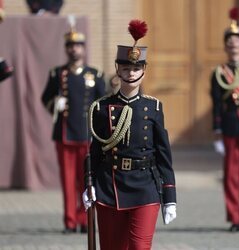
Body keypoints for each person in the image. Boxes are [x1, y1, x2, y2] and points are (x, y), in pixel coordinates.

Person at [83, 20, 177, 249]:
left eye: (136, 68)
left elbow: (164, 155)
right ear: (118, 70)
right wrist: (88, 183)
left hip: (146, 186)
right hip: (109, 187)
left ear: (144, 70)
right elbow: (94, 151)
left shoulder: (153, 107)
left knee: (139, 247)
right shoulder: (101, 108)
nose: (131, 73)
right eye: (126, 68)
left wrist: (170, 196)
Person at [41, 21, 106, 234]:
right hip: (65, 134)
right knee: (68, 182)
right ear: (66, 49)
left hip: (88, 135)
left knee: (86, 181)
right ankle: (70, 221)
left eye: (77, 45)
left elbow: (102, 104)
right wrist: (55, 105)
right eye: (70, 45)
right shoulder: (57, 74)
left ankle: (85, 220)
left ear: (84, 48)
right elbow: (45, 98)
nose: (74, 49)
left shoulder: (95, 75)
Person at [211, 7, 239, 232]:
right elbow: (217, 103)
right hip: (230, 128)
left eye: (237, 40)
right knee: (232, 176)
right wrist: (216, 129)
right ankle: (235, 217)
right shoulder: (219, 72)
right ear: (226, 46)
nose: (233, 44)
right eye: (230, 41)